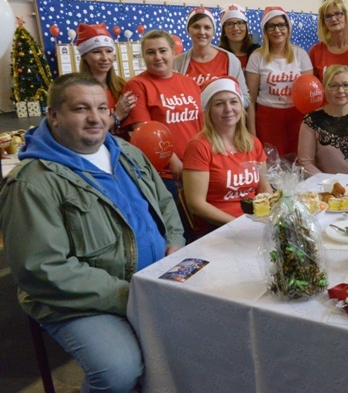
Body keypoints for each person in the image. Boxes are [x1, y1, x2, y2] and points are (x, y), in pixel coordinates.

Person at [0, 73, 185, 392]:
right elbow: (42, 268)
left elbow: (165, 202)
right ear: (54, 116)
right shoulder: (32, 183)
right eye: (81, 109)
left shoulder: (126, 152)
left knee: (201, 335)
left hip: (151, 282)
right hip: (80, 301)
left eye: (102, 107)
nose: (96, 118)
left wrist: (175, 243)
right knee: (117, 370)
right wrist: (128, 296)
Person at [183, 76, 271, 236]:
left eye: (233, 101)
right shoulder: (199, 147)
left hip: (254, 223)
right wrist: (237, 224)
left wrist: (271, 216)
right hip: (217, 230)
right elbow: (196, 204)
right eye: (219, 103)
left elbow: (265, 188)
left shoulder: (253, 143)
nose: (228, 109)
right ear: (208, 111)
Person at [122, 29, 204, 197]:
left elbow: (202, 124)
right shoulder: (137, 85)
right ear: (143, 57)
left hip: (198, 165)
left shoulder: (189, 83)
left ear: (173, 52)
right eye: (150, 52)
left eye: (162, 50)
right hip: (166, 172)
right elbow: (145, 132)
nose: (158, 57)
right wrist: (173, 162)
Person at [245, 6, 313, 157]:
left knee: (298, 165)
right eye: (271, 26)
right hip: (268, 120)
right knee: (271, 168)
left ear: (288, 28)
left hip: (296, 118)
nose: (277, 30)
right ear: (265, 30)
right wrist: (252, 134)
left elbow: (310, 96)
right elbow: (250, 100)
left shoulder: (300, 54)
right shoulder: (256, 57)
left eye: (281, 25)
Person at [173, 7, 250, 107]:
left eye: (207, 27)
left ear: (214, 31)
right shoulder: (177, 63)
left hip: (221, 121)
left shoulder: (230, 60)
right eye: (196, 27)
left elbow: (245, 98)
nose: (202, 32)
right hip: (190, 121)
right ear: (188, 30)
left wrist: (223, 107)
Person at [76, 22, 136, 139]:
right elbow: (83, 131)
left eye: (109, 51)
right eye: (96, 52)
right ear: (84, 56)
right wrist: (116, 116)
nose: (105, 58)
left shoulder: (121, 85)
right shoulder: (77, 90)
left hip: (123, 151)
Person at [309, 0, 348, 106]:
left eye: (338, 14)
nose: (333, 19)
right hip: (325, 115)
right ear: (324, 22)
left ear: (346, 16)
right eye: (328, 16)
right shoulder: (316, 51)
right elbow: (312, 89)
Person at [217, 3, 260, 70]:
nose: (236, 28)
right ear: (224, 31)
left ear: (246, 27)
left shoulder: (258, 53)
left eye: (240, 23)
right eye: (230, 24)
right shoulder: (217, 55)